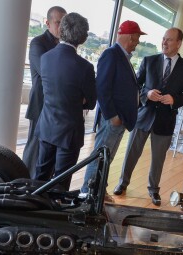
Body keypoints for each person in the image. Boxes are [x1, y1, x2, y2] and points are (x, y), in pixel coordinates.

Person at [113, 27, 183, 206]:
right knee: (131, 154)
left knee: (158, 159)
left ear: (179, 43)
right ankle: (122, 183)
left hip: (166, 121)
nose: (164, 42)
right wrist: (147, 94)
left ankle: (153, 190)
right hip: (144, 116)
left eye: (169, 40)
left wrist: (175, 99)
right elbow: (134, 85)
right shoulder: (149, 60)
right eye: (164, 39)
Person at [80, 20, 146, 198]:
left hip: (120, 119)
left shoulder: (122, 56)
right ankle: (87, 192)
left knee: (106, 158)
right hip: (114, 119)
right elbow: (101, 87)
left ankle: (99, 191)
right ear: (130, 37)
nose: (138, 42)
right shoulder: (111, 54)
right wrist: (113, 115)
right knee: (100, 157)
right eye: (137, 37)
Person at [34, 12, 96, 190]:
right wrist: (79, 99)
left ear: (61, 30)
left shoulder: (45, 58)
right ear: (83, 38)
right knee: (61, 181)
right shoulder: (85, 67)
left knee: (40, 175)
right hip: (69, 132)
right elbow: (91, 102)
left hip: (46, 125)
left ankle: (31, 210)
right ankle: (54, 214)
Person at [23, 6, 67, 178]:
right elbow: (47, 73)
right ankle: (23, 186)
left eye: (64, 23)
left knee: (48, 154)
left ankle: (41, 190)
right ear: (47, 23)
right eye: (58, 23)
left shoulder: (63, 45)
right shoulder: (38, 43)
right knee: (34, 151)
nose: (62, 27)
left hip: (56, 108)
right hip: (41, 104)